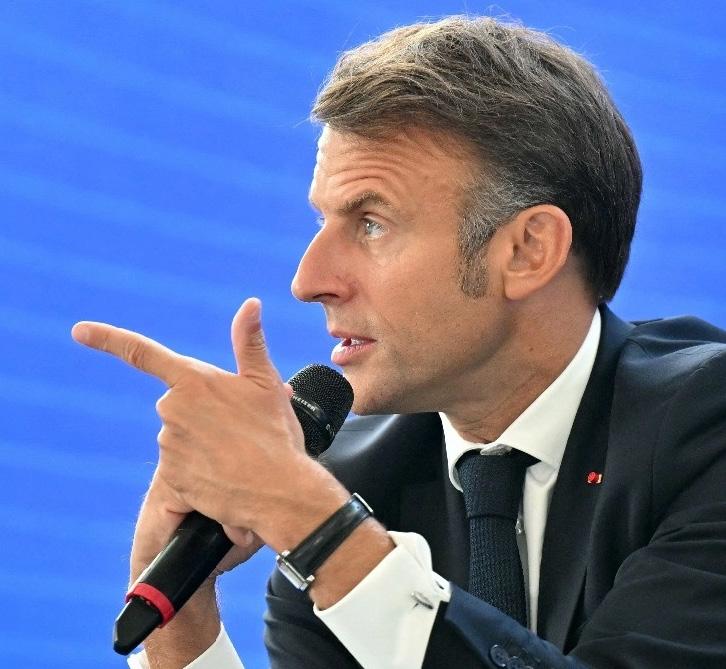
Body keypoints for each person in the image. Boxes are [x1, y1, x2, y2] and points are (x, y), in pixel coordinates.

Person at [72, 15, 726, 669]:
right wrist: (183, 621)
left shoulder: (708, 428)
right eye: (322, 220)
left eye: (372, 223)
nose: (308, 281)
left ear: (528, 249)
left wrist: (319, 529)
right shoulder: (356, 484)